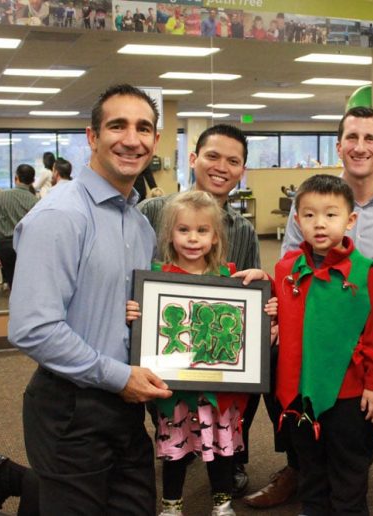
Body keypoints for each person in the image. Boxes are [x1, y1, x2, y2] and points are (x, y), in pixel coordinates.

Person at [7, 84, 171, 514]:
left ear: (155, 141)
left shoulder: (139, 224)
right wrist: (119, 377)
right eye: (117, 125)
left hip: (123, 405)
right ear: (92, 137)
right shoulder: (61, 215)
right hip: (70, 408)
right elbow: (34, 328)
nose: (131, 139)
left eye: (144, 128)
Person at [254, 105, 373, 510]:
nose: (360, 146)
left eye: (369, 139)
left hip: (370, 342)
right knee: (309, 450)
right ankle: (298, 475)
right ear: (339, 145)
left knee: (353, 449)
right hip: (309, 346)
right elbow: (291, 276)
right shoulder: (307, 204)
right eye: (352, 138)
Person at [127, 190, 268, 516]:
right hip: (176, 392)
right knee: (176, 451)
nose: (193, 239)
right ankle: (172, 505)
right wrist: (137, 312)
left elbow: (252, 318)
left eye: (202, 231)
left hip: (220, 391)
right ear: (169, 234)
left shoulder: (231, 278)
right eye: (184, 230)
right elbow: (148, 330)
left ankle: (222, 502)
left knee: (222, 450)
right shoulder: (156, 278)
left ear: (215, 236)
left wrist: (264, 298)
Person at [138, 124, 260, 496]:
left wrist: (261, 298)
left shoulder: (244, 231)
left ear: (241, 171)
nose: (222, 166)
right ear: (193, 159)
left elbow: (248, 306)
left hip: (215, 348)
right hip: (164, 347)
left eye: (233, 161)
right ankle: (178, 442)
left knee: (257, 359)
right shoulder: (152, 211)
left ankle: (227, 449)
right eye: (212, 156)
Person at [273, 174, 373, 515]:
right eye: (309, 215)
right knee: (309, 462)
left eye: (330, 214)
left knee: (348, 463)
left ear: (350, 220)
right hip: (298, 390)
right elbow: (276, 314)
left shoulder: (364, 272)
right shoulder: (284, 270)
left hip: (348, 392)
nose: (319, 224)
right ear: (297, 221)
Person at [0, 164, 38, 289]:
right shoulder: (36, 201)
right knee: (26, 281)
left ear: (16, 178)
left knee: (11, 279)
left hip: (5, 244)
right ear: (32, 181)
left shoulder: (0, 196)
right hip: (27, 244)